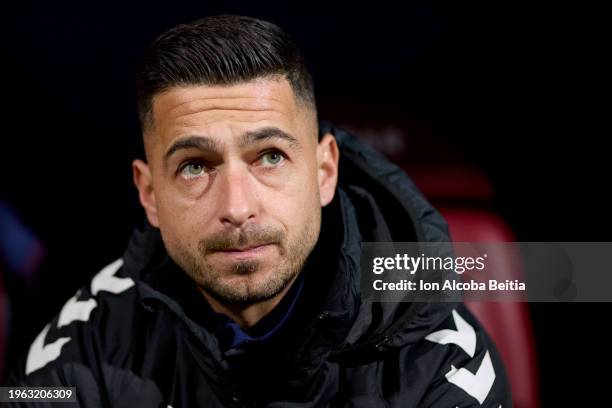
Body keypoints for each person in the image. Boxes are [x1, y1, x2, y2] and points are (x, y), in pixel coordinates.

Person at [7, 15, 511, 407]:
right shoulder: (84, 343)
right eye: (194, 166)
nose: (237, 207)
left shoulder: (441, 358)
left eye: (270, 157)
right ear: (149, 194)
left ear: (324, 172)